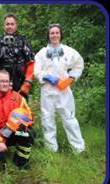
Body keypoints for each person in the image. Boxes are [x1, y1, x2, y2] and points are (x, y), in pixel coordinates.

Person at [34, 23, 85, 153]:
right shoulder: (42, 53)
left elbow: (79, 64)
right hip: (47, 91)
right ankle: (51, 150)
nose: (54, 35)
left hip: (64, 91)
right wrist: (47, 77)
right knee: (47, 120)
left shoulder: (69, 51)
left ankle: (79, 149)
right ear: (49, 35)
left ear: (60, 34)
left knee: (70, 119)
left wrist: (71, 78)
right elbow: (36, 71)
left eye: (57, 32)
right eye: (52, 33)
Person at [0, 70, 35, 168]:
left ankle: (20, 162)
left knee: (29, 134)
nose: (4, 84)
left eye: (6, 81)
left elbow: (29, 114)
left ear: (10, 83)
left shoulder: (18, 98)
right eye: (1, 81)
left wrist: (24, 124)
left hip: (14, 132)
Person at [0, 13, 34, 100]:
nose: (10, 26)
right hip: (1, 81)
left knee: (19, 111)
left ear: (16, 25)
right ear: (4, 25)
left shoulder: (23, 41)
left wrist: (27, 83)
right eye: (7, 24)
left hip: (19, 81)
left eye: (12, 24)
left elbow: (30, 62)